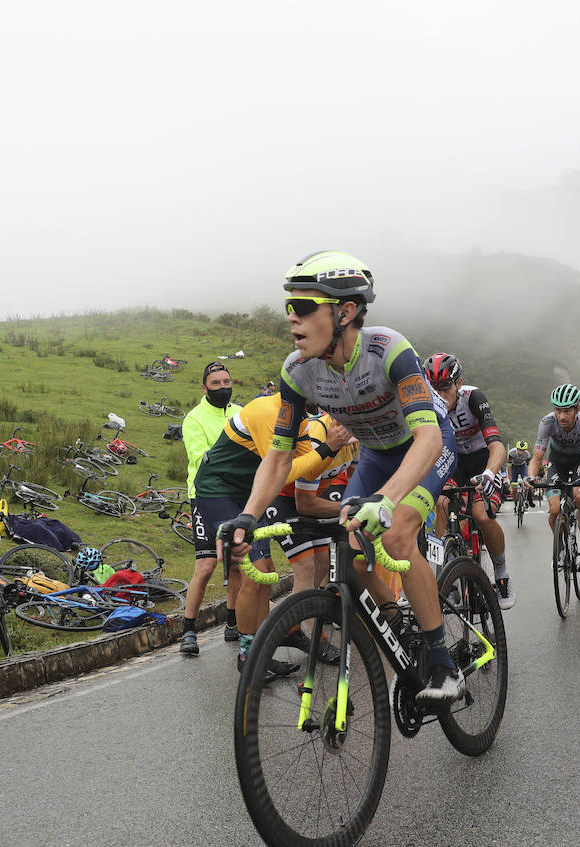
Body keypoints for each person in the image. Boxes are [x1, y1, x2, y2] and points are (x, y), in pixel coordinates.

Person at [222, 251, 466, 702]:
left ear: (345, 312)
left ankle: (443, 662)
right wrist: (248, 515)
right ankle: (400, 628)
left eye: (304, 308)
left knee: (396, 536)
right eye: (288, 308)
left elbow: (429, 440)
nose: (292, 320)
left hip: (425, 447)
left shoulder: (388, 350)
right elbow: (277, 458)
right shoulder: (297, 371)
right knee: (352, 555)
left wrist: (388, 501)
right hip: (375, 454)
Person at [188, 392, 355, 673]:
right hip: (219, 490)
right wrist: (328, 447)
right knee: (253, 575)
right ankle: (247, 656)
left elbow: (309, 469)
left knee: (264, 575)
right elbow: (283, 472)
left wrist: (333, 450)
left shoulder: (299, 420)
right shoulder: (269, 411)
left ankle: (260, 651)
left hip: (250, 494)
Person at [424, 352, 515, 610]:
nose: (440, 395)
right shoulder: (426, 404)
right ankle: (449, 580)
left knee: (482, 515)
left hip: (482, 460)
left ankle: (502, 574)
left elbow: (496, 445)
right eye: (434, 388)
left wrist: (489, 473)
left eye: (445, 388)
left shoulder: (473, 397)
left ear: (458, 383)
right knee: (441, 505)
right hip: (453, 462)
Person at [181, 360, 241, 641]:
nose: (222, 388)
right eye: (216, 384)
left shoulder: (242, 413)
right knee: (206, 567)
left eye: (226, 383)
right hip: (205, 496)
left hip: (238, 495)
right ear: (204, 387)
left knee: (238, 562)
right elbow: (202, 459)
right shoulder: (194, 418)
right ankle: (188, 630)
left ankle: (233, 622)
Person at [526, 383, 580, 570]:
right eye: (558, 410)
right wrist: (531, 477)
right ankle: (561, 548)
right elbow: (537, 457)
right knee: (555, 510)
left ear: (577, 409)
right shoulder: (547, 422)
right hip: (557, 463)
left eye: (567, 411)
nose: (562, 416)